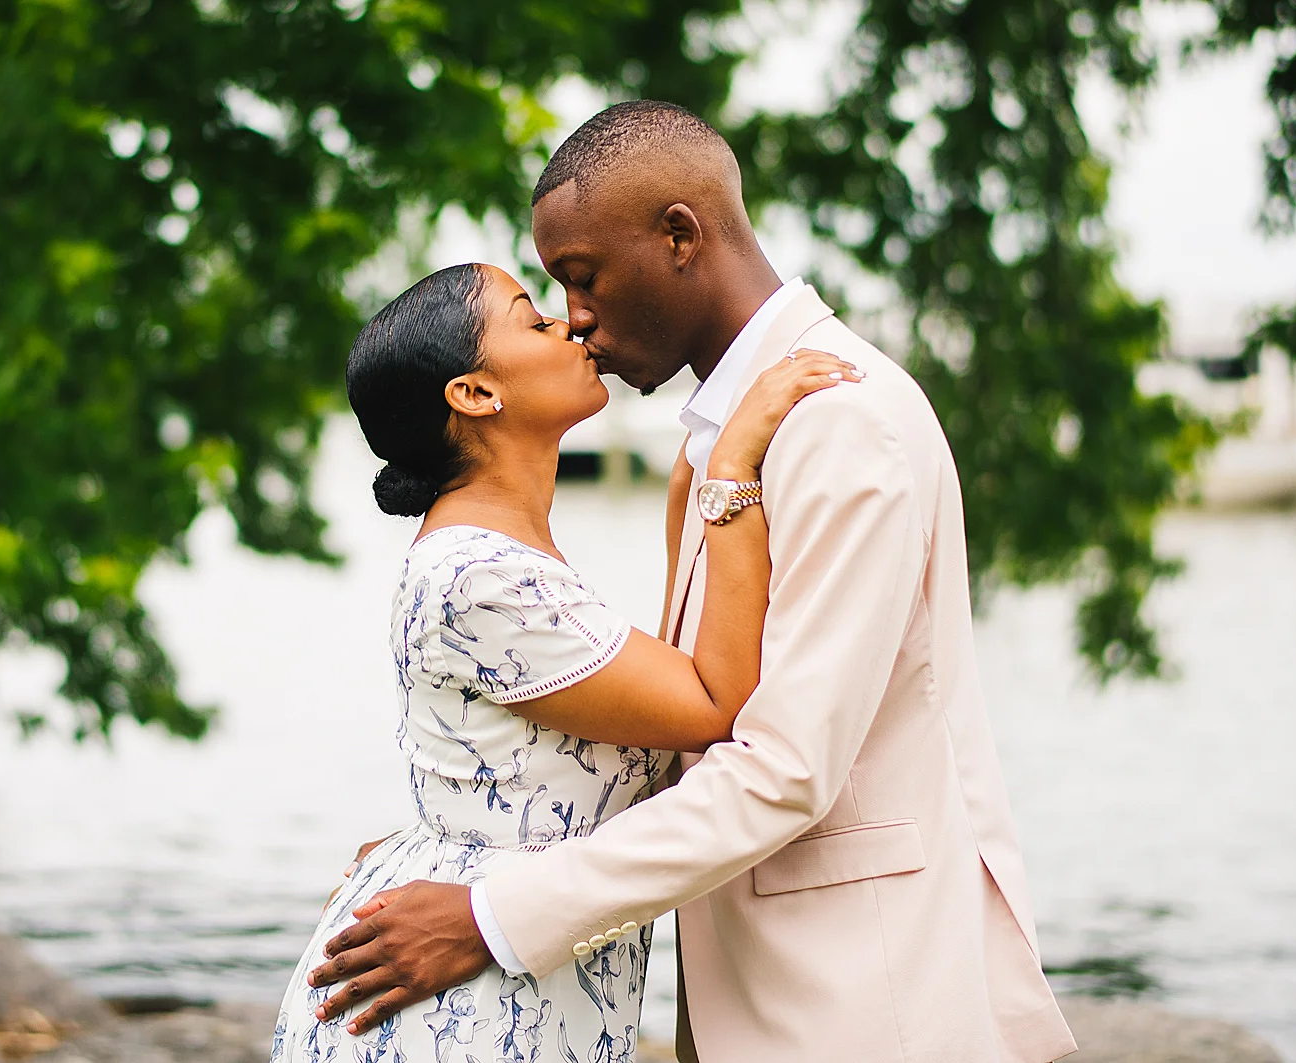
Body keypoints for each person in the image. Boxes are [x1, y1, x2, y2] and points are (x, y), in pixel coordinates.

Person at [309, 102, 1077, 1063]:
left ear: (679, 235)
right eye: (550, 295)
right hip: (766, 998)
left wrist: (492, 910)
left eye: (580, 279)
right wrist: (452, 843)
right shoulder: (723, 449)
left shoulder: (840, 422)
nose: (575, 319)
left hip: (862, 1004)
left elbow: (781, 767)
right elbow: (670, 727)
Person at [268, 259, 860, 1063]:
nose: (569, 324)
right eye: (532, 318)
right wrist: (732, 475)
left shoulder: (502, 552)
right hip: (465, 1003)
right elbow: (717, 700)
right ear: (475, 394)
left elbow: (616, 729)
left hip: (502, 968)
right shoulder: (480, 572)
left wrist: (692, 482)